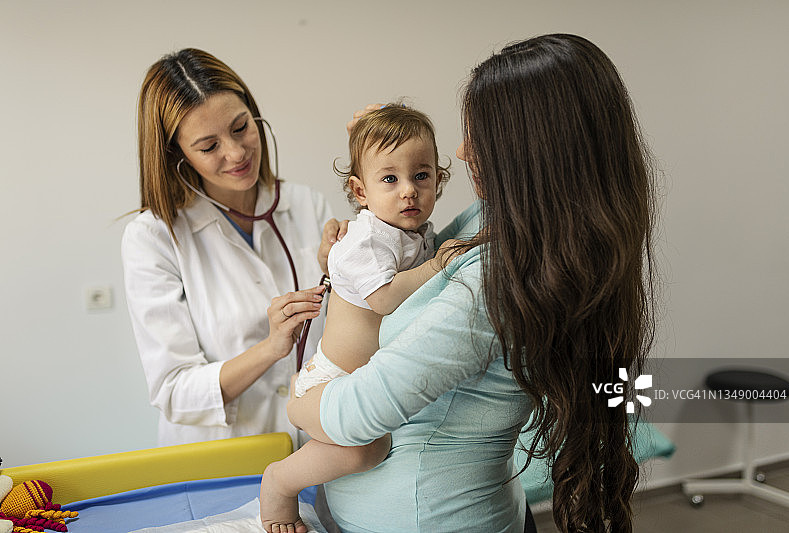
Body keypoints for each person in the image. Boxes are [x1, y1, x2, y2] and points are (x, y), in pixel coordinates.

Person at [287, 33, 658, 533]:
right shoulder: (516, 222)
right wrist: (362, 220)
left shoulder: (496, 281)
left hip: (428, 518)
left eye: (478, 137)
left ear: (528, 153)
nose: (461, 152)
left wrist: (297, 400)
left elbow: (356, 416)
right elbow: (413, 256)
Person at [121, 48, 342, 447]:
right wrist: (271, 348)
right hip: (223, 460)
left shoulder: (307, 205)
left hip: (318, 449)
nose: (236, 153)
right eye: (209, 147)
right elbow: (173, 391)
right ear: (177, 155)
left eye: (241, 127)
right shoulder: (154, 237)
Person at [260, 104, 457, 532]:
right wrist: (439, 263)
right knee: (364, 450)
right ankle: (279, 482)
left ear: (439, 181)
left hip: (359, 385)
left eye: (421, 175)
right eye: (390, 179)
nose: (409, 191)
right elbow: (384, 298)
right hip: (331, 383)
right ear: (360, 191)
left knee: (378, 443)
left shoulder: (415, 234)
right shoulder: (365, 239)